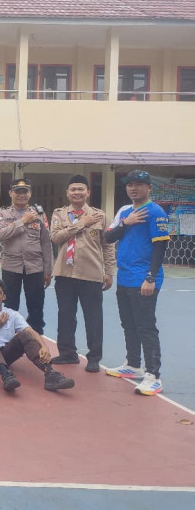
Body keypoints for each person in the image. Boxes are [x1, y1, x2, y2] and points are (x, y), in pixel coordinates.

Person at [104, 170, 169, 396]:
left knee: (146, 326)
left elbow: (160, 247)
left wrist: (150, 277)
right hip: (125, 277)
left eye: (139, 184)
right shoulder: (125, 211)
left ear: (149, 188)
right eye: (130, 185)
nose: (133, 188)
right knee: (128, 323)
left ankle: (154, 375)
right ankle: (133, 365)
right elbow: (108, 237)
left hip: (144, 279)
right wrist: (126, 222)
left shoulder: (155, 212)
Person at [49, 175, 115, 373]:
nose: (77, 192)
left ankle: (94, 357)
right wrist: (81, 223)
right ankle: (67, 352)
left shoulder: (100, 216)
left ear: (88, 192)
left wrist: (110, 271)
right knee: (66, 315)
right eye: (73, 189)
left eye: (81, 189)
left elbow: (108, 245)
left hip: (91, 273)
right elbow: (55, 237)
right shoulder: (59, 214)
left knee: (93, 317)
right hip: (65, 273)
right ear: (67, 193)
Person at [0, 280, 75, 392]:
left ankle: (50, 374)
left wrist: (44, 346)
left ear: (4, 297)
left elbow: (29, 331)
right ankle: (6, 375)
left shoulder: (12, 314)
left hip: (4, 355)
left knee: (25, 334)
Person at [0, 178, 53, 334]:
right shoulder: (3, 212)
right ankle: (8, 338)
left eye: (25, 191)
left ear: (30, 193)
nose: (21, 195)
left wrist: (48, 270)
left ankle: (36, 340)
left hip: (35, 267)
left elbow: (46, 242)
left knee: (36, 306)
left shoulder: (39, 213)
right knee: (10, 305)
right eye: (17, 192)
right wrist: (22, 221)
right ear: (10, 193)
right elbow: (0, 235)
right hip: (11, 267)